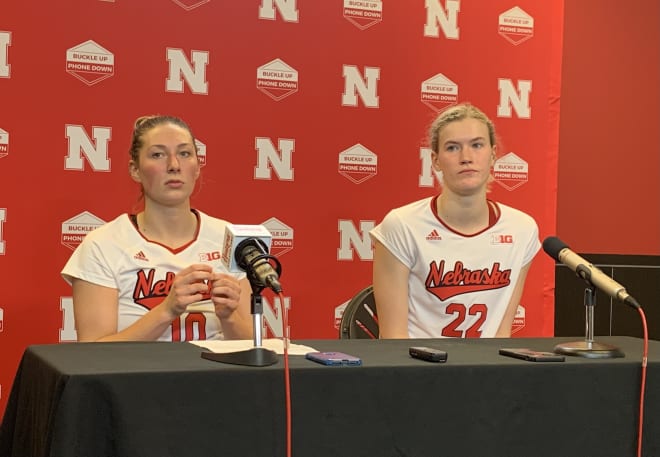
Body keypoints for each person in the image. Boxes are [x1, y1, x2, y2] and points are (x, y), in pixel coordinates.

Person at [61, 115, 254, 342]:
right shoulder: (102, 244)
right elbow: (91, 354)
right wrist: (167, 310)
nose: (174, 166)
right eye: (158, 155)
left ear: (197, 166)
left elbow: (253, 347)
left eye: (184, 153)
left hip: (216, 375)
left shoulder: (229, 238)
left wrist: (228, 317)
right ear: (135, 170)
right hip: (135, 377)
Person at [370, 103, 541, 338]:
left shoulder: (522, 230)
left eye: (477, 145)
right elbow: (392, 338)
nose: (466, 157)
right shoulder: (401, 226)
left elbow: (502, 332)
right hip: (418, 368)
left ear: (493, 154)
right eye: (452, 148)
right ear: (436, 160)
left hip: (486, 370)